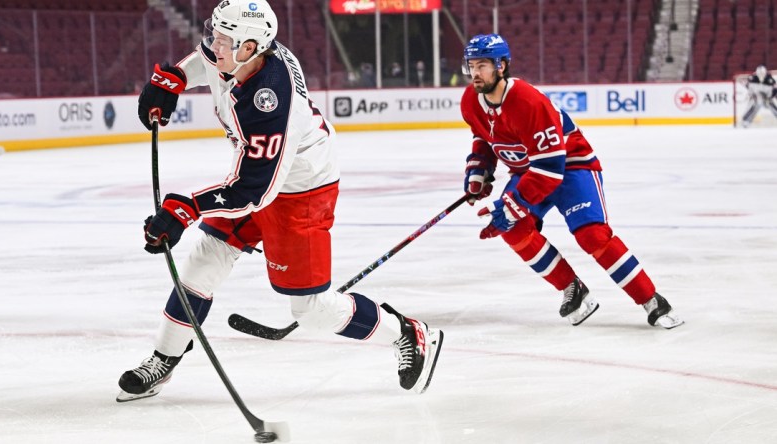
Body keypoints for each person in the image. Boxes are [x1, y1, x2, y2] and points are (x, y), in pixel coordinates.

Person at [117, 0, 443, 402]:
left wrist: (188, 208)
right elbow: (202, 62)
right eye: (214, 35)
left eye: (223, 40)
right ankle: (163, 358)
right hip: (262, 176)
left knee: (313, 311)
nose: (212, 45)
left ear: (251, 47)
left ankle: (408, 333)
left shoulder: (270, 99)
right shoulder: (237, 55)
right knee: (203, 263)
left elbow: (255, 191)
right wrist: (176, 78)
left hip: (300, 191)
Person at [459, 34, 683, 329]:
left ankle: (652, 300)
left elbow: (551, 167)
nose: (475, 73)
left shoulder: (528, 101)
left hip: (572, 167)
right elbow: (485, 137)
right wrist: (478, 171)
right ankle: (573, 290)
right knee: (513, 228)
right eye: (471, 66)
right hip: (530, 172)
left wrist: (514, 203)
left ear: (501, 66)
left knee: (593, 236)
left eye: (483, 65)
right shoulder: (470, 101)